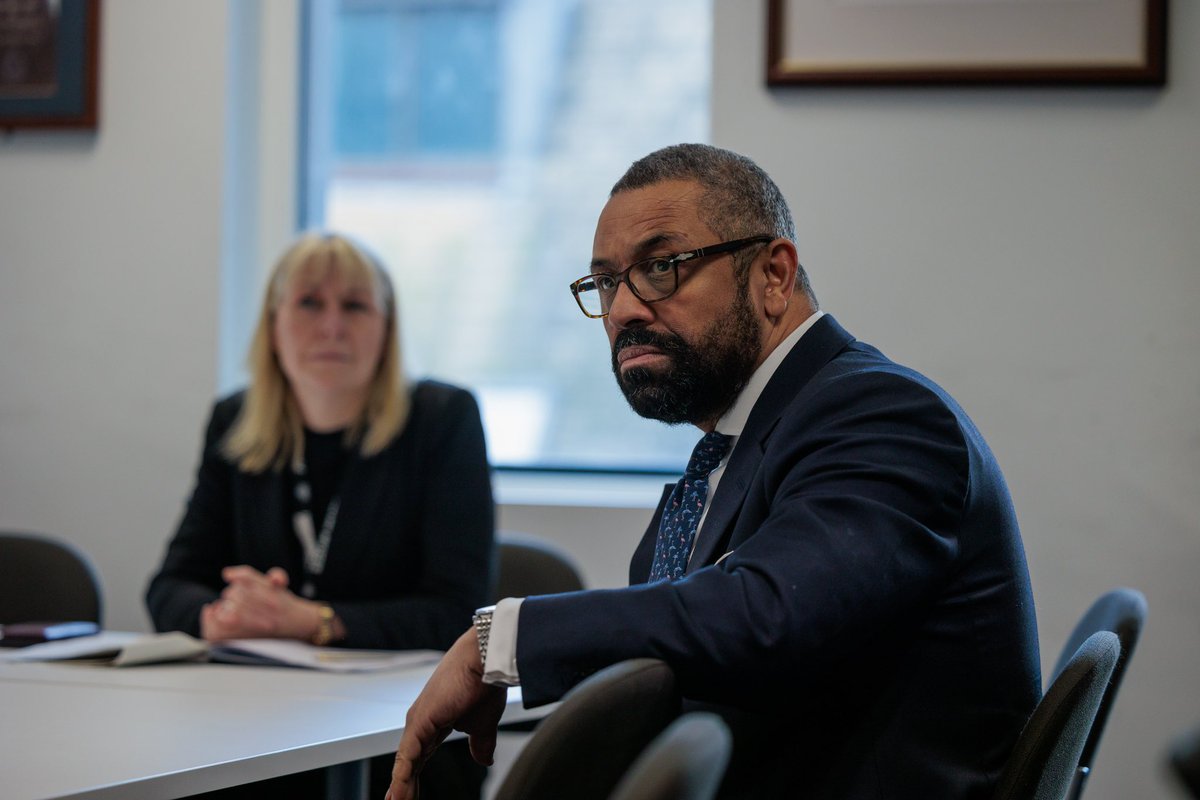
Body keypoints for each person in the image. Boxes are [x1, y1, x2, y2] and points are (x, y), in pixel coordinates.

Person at [386, 144, 1042, 800]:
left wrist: (501, 640)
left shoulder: (882, 414)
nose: (622, 311)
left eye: (662, 267)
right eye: (607, 282)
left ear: (774, 277)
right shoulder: (750, 437)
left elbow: (765, 614)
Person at [146, 232, 493, 798]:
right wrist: (221, 616)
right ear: (273, 324)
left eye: (354, 306)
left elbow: (459, 611)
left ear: (386, 329)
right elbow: (168, 587)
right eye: (310, 303)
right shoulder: (233, 420)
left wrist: (311, 621)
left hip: (402, 734)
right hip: (247, 728)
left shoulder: (442, 419)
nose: (332, 325)